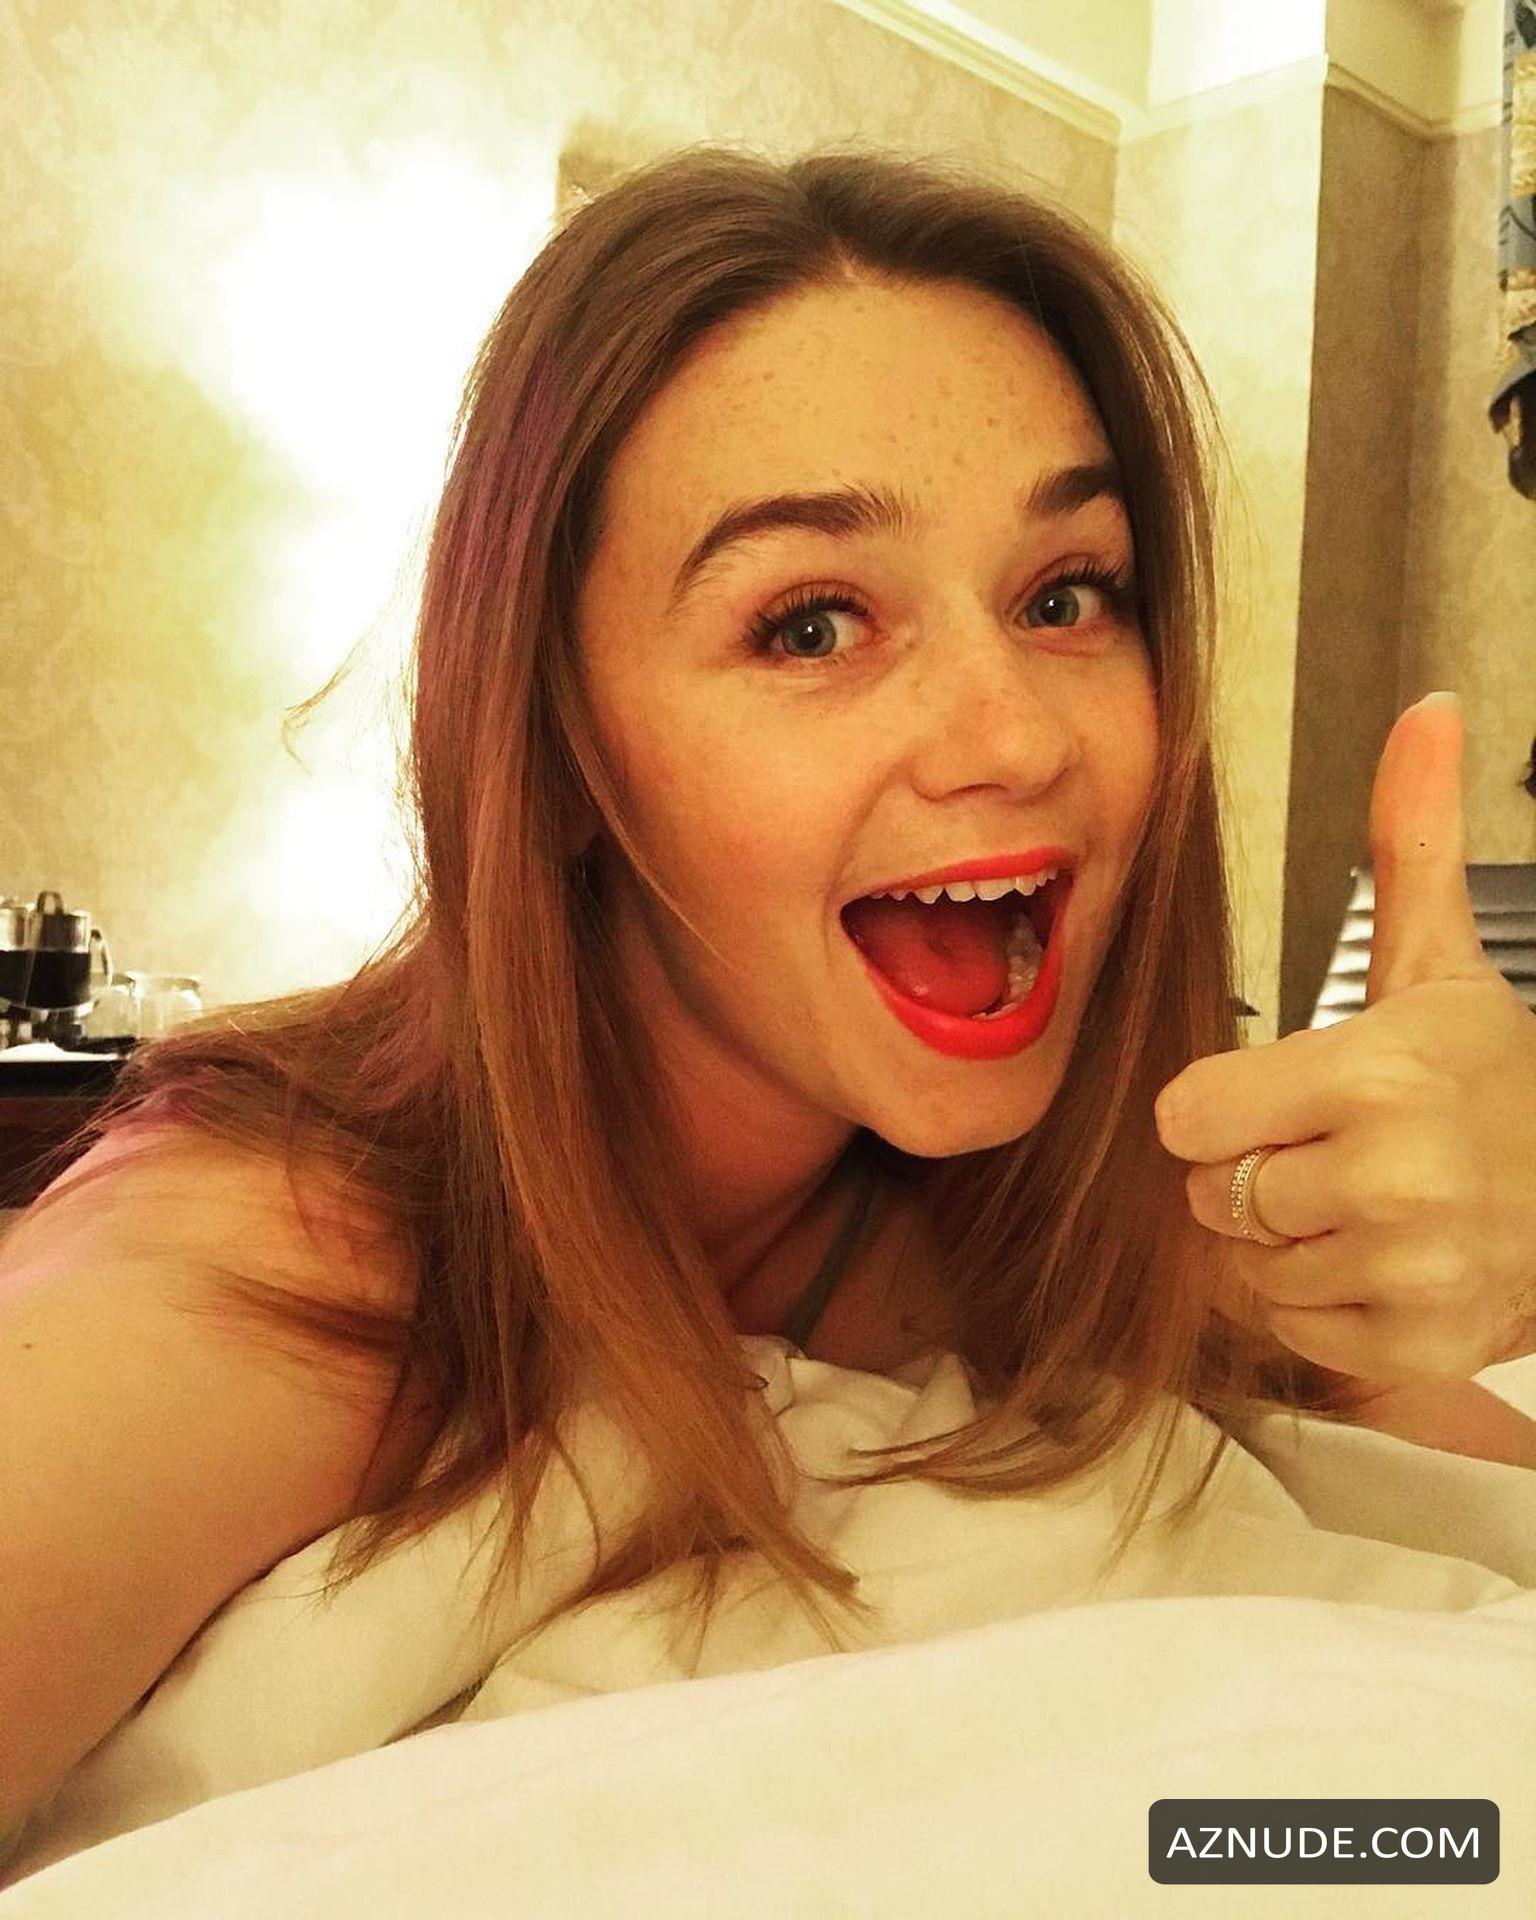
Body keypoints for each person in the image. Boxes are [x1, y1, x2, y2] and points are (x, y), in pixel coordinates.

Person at [3, 143, 1534, 1864]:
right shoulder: (283, 1260)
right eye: (812, 626)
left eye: (1065, 596)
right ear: (561, 750)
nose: (1017, 735)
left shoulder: (1065, 1209)